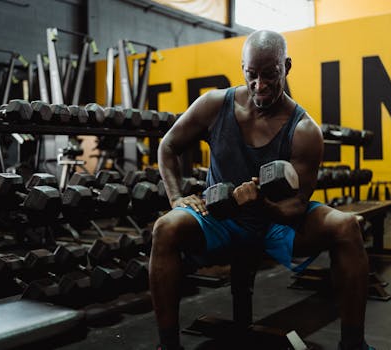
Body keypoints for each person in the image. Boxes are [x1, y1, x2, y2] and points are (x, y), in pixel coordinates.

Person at [149, 30, 373, 350]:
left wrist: (264, 204)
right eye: (251, 75)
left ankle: (354, 344)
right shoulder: (214, 105)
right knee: (165, 228)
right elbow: (168, 146)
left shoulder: (305, 130)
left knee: (347, 227)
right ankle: (168, 346)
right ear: (242, 67)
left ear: (287, 66)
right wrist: (175, 198)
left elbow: (296, 206)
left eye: (270, 74)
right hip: (221, 219)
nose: (259, 85)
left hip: (276, 223)